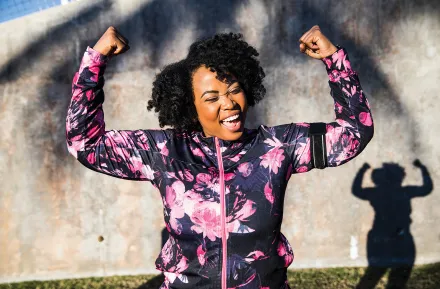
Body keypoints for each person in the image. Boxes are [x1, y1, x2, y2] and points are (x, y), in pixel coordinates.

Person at [66, 25, 374, 289]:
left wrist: (334, 60)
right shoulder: (164, 151)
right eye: (211, 97)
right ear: (190, 105)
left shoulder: (277, 146)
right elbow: (84, 142)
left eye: (235, 90)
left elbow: (354, 133)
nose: (229, 104)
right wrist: (96, 60)